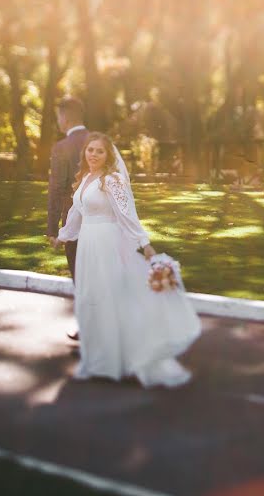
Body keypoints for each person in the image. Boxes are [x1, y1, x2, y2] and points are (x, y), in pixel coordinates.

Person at [55, 132, 201, 387]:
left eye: (99, 151)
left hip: (106, 243)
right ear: (85, 152)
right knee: (92, 297)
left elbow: (127, 215)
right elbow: (75, 213)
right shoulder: (85, 178)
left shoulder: (112, 180)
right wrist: (63, 235)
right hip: (88, 245)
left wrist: (144, 243)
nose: (93, 155)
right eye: (90, 150)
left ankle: (120, 358)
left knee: (110, 296)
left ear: (108, 155)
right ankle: (99, 358)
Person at [46, 96, 88, 340]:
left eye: (59, 116)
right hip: (101, 221)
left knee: (79, 274)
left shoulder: (61, 147)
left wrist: (53, 228)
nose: (58, 121)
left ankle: (87, 326)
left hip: (74, 222)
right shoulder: (98, 140)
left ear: (67, 117)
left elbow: (56, 189)